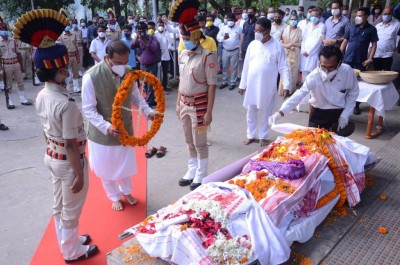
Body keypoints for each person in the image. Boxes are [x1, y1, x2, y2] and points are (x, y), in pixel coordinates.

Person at [13, 9, 99, 262]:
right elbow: (72, 145)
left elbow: (45, 131)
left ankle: (68, 241)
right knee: (71, 209)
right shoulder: (66, 103)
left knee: (59, 205)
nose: (67, 71)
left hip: (51, 156)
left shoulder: (41, 95)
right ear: (59, 70)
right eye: (64, 68)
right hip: (67, 160)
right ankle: (72, 252)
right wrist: (79, 173)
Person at [82, 40, 156, 211]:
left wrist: (148, 112)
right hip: (102, 133)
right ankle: (114, 196)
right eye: (118, 63)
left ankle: (126, 191)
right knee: (105, 168)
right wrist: (106, 126)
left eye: (125, 62)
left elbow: (136, 96)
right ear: (107, 58)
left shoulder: (129, 72)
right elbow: (88, 109)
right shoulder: (91, 76)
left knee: (125, 165)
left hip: (124, 130)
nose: (123, 66)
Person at [269, 45, 359, 132]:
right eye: (323, 66)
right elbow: (299, 94)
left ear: (339, 64)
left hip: (338, 112)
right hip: (318, 113)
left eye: (331, 68)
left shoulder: (347, 72)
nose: (326, 71)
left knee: (336, 144)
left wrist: (346, 114)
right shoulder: (314, 76)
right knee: (313, 143)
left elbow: (353, 93)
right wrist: (281, 112)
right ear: (319, 62)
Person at [174, 17, 217, 191]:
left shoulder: (208, 57)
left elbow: (212, 85)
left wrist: (209, 112)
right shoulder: (183, 54)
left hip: (199, 104)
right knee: (188, 140)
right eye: (183, 39)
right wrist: (177, 103)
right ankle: (191, 170)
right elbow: (181, 81)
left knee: (200, 142)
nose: (185, 42)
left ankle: (201, 173)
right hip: (184, 103)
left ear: (196, 37)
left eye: (187, 39)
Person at [239, 18, 290, 147]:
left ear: (268, 31)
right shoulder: (253, 44)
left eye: (259, 31)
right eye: (255, 30)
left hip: (267, 85)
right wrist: (242, 84)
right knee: (251, 111)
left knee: (266, 112)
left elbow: (283, 66)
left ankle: (263, 135)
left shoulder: (277, 45)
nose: (257, 33)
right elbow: (246, 65)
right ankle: (250, 135)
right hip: (252, 84)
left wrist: (286, 85)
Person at [340, 7, 378, 115]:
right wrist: (339, 54)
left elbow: (374, 45)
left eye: (360, 16)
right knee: (344, 82)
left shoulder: (371, 29)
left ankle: (355, 106)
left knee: (358, 85)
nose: (358, 17)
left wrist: (370, 58)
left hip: (360, 61)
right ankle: (342, 104)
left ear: (366, 17)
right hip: (347, 59)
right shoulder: (351, 27)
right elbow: (345, 41)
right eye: (357, 15)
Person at [0, 30, 32, 109]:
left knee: (20, 81)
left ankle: (23, 98)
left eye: (6, 36)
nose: (5, 37)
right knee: (8, 84)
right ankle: (10, 101)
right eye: (4, 36)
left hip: (15, 63)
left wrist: (21, 66)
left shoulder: (13, 41)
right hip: (6, 65)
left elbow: (18, 53)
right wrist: (0, 69)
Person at [131, 22, 160, 107]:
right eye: (139, 30)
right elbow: (132, 47)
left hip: (152, 64)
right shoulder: (138, 39)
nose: (141, 32)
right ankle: (150, 99)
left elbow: (154, 49)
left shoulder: (152, 38)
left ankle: (149, 101)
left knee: (150, 83)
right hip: (143, 65)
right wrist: (137, 37)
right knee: (144, 83)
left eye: (142, 30)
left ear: (146, 30)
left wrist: (145, 41)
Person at [217, 13, 242, 90]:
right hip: (225, 50)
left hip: (235, 50)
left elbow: (241, 38)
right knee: (224, 67)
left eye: (231, 19)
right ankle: (224, 82)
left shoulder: (239, 28)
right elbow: (218, 37)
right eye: (229, 19)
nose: (230, 21)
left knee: (234, 68)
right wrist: (223, 38)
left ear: (234, 20)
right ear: (227, 20)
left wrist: (240, 50)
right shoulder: (223, 28)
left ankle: (233, 82)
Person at [301, 8, 326, 81]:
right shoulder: (308, 25)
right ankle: (304, 87)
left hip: (313, 53)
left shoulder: (322, 26)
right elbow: (303, 39)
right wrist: (303, 50)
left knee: (313, 73)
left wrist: (309, 52)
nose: (313, 17)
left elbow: (319, 41)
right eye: (312, 15)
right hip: (304, 52)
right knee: (304, 72)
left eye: (315, 16)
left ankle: (312, 91)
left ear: (319, 17)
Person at [279, 14, 302, 95]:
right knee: (285, 71)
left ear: (297, 20)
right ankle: (283, 90)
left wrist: (293, 44)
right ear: (289, 20)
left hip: (295, 54)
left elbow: (301, 43)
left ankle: (291, 90)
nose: (293, 21)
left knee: (293, 72)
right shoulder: (285, 29)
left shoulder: (299, 31)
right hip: (286, 53)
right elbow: (281, 41)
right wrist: (286, 46)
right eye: (291, 19)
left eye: (295, 19)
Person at [374, 7, 400, 71]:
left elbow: (398, 38)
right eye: (385, 14)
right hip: (377, 54)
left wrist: (395, 50)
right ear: (382, 14)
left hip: (388, 54)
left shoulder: (397, 24)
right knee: (376, 72)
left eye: (388, 14)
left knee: (386, 74)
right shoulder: (378, 26)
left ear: (392, 14)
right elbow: (373, 39)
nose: (386, 15)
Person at [58, 26, 81, 93]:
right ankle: (67, 87)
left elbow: (76, 45)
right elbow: (60, 46)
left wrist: (78, 56)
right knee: (67, 71)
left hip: (74, 55)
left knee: (75, 71)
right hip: (66, 55)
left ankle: (76, 87)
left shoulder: (74, 34)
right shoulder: (61, 35)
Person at [155, 20, 172, 91]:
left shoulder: (167, 33)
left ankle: (164, 86)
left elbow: (170, 43)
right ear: (157, 26)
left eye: (162, 25)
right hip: (157, 56)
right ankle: (157, 87)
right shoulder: (155, 34)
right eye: (159, 25)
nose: (161, 27)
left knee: (165, 72)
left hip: (166, 55)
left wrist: (168, 48)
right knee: (158, 72)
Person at [239, 7, 257, 78]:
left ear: (255, 13)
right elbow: (243, 36)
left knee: (253, 65)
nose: (249, 14)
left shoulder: (257, 23)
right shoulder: (245, 23)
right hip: (244, 48)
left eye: (251, 12)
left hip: (253, 49)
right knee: (245, 65)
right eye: (248, 12)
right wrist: (240, 49)